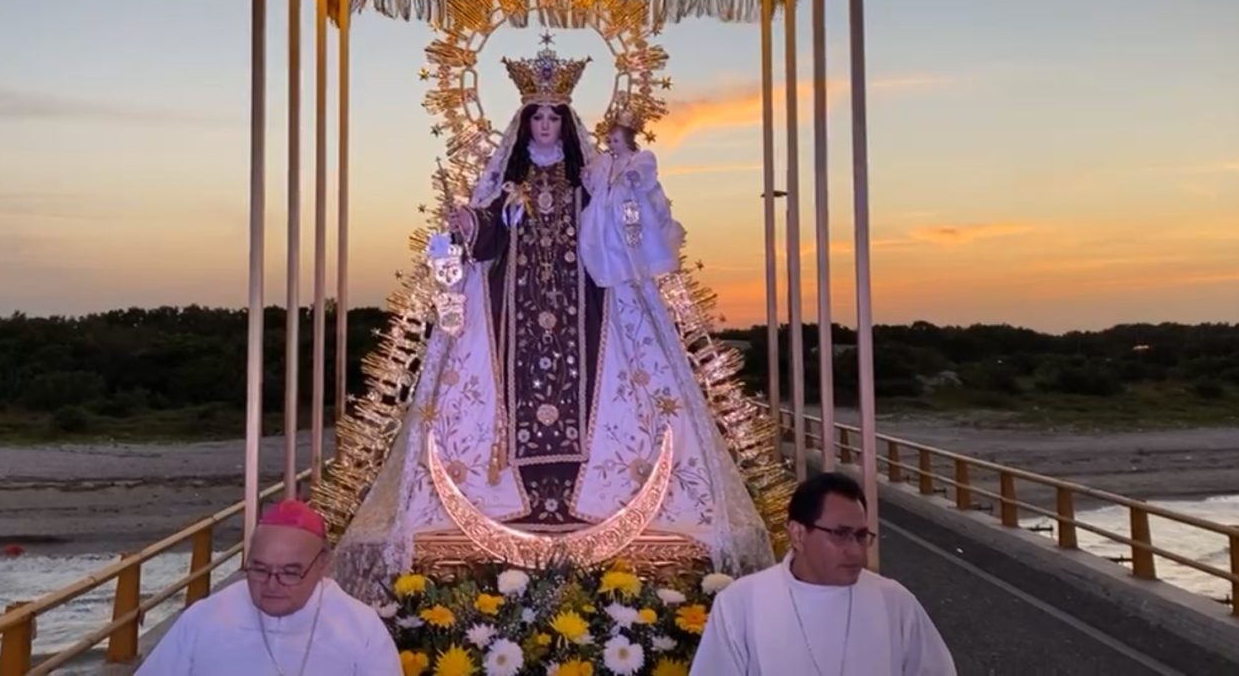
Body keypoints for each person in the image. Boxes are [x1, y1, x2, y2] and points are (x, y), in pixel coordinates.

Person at [331, 38, 773, 592]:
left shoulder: (591, 183)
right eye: (536, 116)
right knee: (512, 401)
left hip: (586, 312)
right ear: (524, 124)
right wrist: (469, 224)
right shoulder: (506, 184)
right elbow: (485, 238)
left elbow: (625, 231)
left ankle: (583, 496)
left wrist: (625, 174)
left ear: (566, 124)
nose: (544, 125)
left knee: (589, 396)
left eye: (552, 117)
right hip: (511, 319)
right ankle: (516, 496)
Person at [692, 472, 957, 676]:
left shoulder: (894, 602)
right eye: (840, 535)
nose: (856, 552)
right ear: (798, 534)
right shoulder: (741, 603)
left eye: (862, 536)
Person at [136, 499, 400, 676]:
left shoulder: (360, 628)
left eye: (290, 572)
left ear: (322, 565)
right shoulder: (205, 618)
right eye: (259, 569)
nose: (271, 585)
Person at [579, 117, 685, 288]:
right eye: (610, 140)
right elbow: (597, 177)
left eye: (616, 140)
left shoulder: (640, 158)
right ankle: (617, 271)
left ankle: (638, 272)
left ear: (627, 140)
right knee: (610, 242)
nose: (612, 144)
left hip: (630, 207)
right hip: (606, 210)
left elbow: (644, 170)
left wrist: (635, 175)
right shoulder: (607, 161)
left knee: (634, 242)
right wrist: (588, 175)